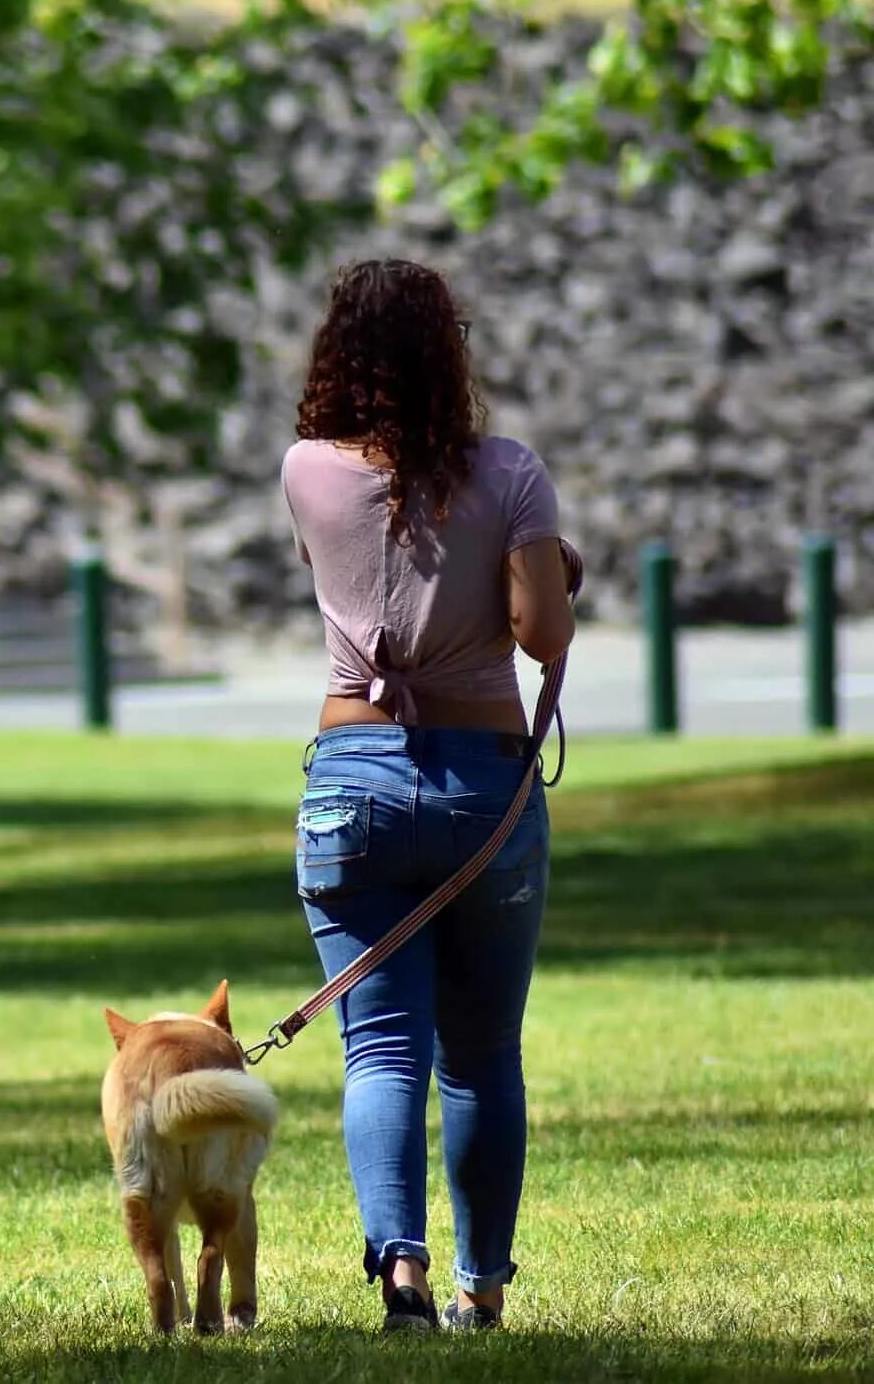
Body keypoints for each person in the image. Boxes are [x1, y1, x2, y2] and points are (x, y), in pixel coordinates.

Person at [280, 259, 576, 1335]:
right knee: (484, 1053)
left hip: (348, 785)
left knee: (382, 1047)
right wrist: (544, 559)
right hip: (478, 785)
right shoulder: (511, 472)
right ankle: (481, 1289)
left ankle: (396, 1274)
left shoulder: (305, 469)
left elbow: (379, 563)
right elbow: (541, 632)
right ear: (449, 351)